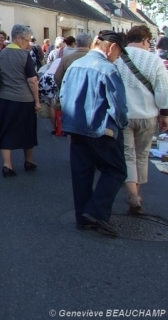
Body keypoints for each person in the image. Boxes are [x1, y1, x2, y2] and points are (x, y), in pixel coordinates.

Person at [60, 31, 128, 237]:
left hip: (76, 126)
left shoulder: (75, 65)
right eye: (119, 52)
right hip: (100, 128)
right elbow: (118, 106)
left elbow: (63, 94)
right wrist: (121, 125)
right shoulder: (108, 69)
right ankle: (96, 211)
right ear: (112, 47)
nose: (118, 56)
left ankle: (83, 217)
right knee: (116, 170)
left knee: (82, 172)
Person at [114, 25, 168, 215]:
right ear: (146, 40)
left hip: (124, 115)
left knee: (127, 154)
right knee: (142, 155)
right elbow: (163, 91)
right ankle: (137, 193)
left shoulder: (118, 57)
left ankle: (132, 195)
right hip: (148, 115)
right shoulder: (154, 60)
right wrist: (165, 115)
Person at [0, 24, 41, 178]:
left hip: (3, 98)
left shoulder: (1, 54)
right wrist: (37, 101)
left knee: (5, 130)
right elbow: (32, 80)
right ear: (19, 38)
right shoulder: (24, 55)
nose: (28, 44)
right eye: (27, 40)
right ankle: (29, 160)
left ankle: (7, 164)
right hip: (24, 99)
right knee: (27, 130)